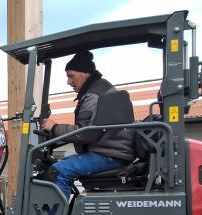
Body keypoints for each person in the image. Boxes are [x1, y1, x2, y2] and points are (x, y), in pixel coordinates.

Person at [41, 50, 135, 198]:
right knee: (57, 165)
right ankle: (68, 214)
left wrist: (54, 128)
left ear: (85, 73)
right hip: (111, 152)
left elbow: (85, 134)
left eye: (71, 76)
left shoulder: (94, 95)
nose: (68, 82)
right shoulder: (100, 89)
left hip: (110, 155)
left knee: (58, 172)